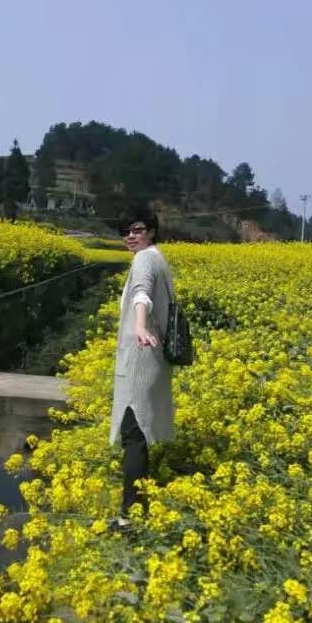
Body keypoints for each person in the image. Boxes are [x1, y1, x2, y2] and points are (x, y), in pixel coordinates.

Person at [109, 204, 175, 531]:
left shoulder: (145, 260)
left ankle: (130, 517)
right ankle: (137, 508)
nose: (130, 236)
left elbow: (142, 293)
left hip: (140, 360)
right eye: (126, 232)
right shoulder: (160, 258)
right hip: (152, 359)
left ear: (151, 230)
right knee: (139, 436)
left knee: (133, 437)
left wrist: (138, 324)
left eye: (137, 229)